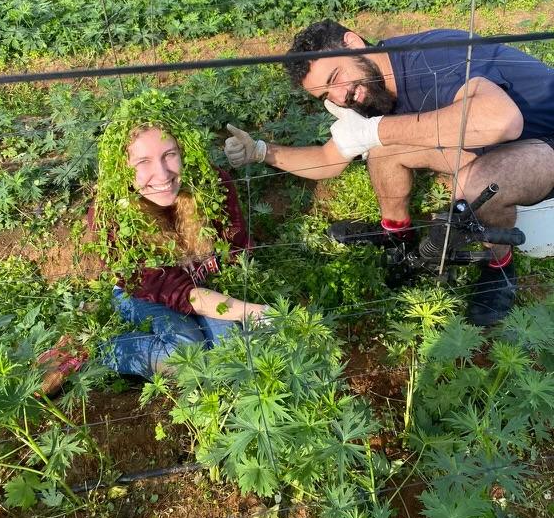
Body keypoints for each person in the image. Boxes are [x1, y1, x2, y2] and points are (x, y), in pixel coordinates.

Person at [224, 20, 554, 327]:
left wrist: (379, 129)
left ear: (352, 43)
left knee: (479, 184)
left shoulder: (431, 59)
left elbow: (503, 121)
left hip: (543, 139)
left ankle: (499, 268)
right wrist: (262, 151)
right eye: (327, 95)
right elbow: (329, 159)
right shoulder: (373, 89)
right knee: (384, 146)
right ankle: (398, 238)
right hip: (495, 142)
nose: (341, 97)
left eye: (335, 77)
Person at [39, 90, 267, 393]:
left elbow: (236, 248)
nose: (161, 173)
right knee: (186, 356)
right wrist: (250, 311)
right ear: (122, 166)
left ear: (184, 152)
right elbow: (173, 292)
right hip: (142, 295)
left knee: (231, 350)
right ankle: (97, 347)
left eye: (169, 155)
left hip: (206, 289)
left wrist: (237, 306)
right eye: (143, 161)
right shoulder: (110, 215)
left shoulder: (213, 186)